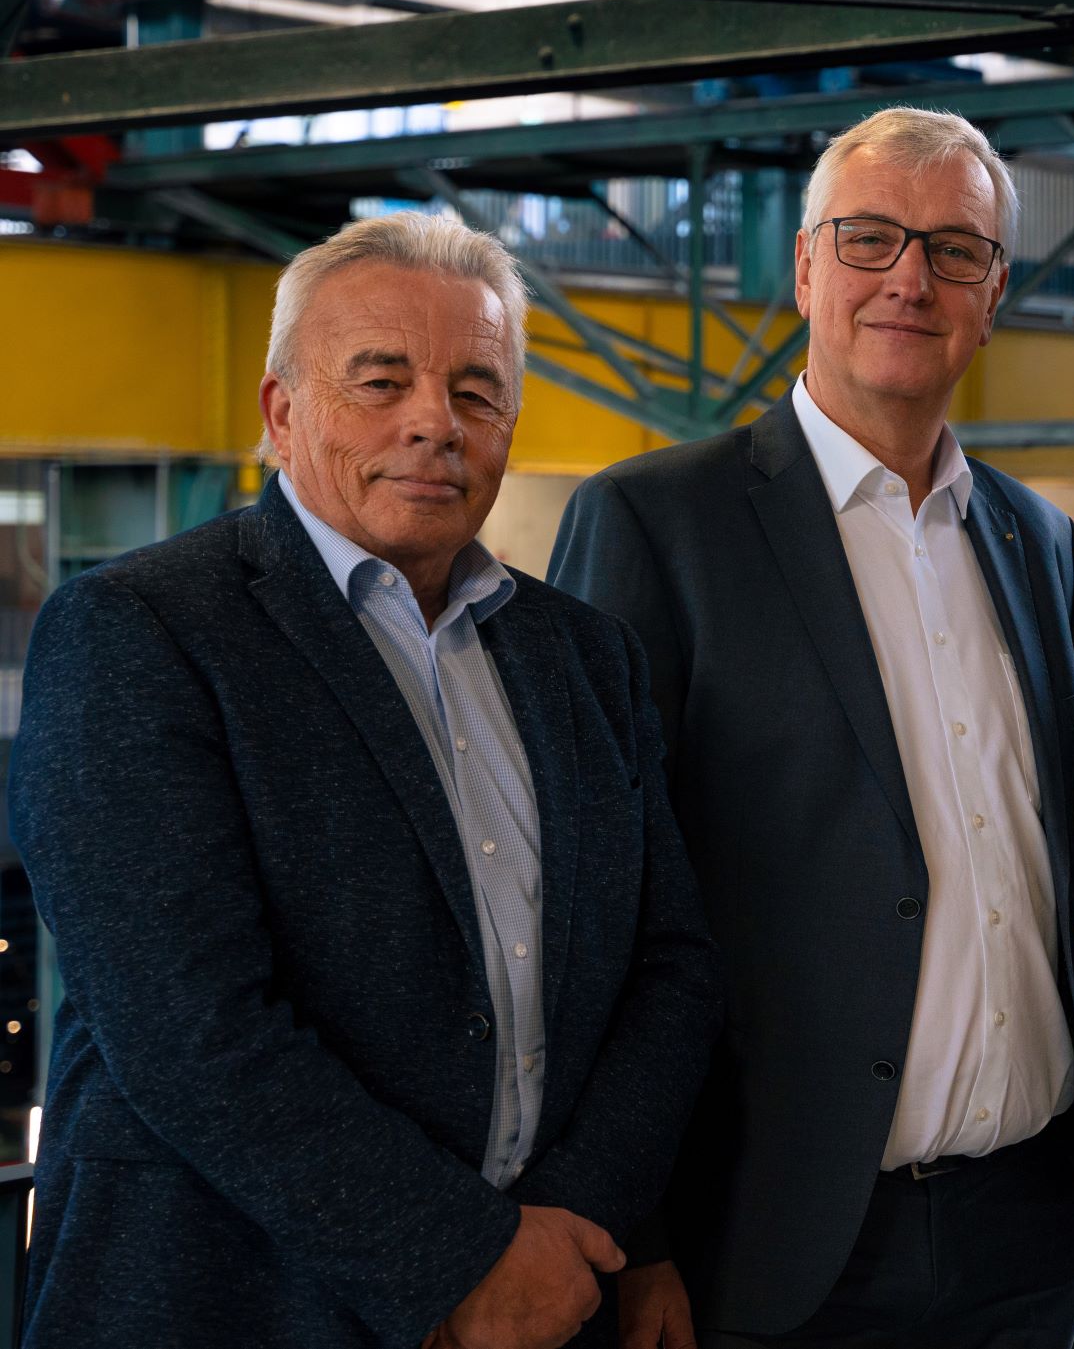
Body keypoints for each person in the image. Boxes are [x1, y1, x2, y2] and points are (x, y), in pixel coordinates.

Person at [7, 211, 721, 1349]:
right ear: (281, 412)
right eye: (381, 381)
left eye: (477, 391)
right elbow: (189, 1029)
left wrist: (567, 1233)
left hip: (551, 1296)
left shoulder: (585, 655)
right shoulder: (139, 631)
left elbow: (669, 967)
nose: (435, 422)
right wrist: (462, 1260)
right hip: (238, 1307)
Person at [551, 107, 1074, 1349]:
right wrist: (639, 1234)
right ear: (804, 267)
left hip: (1028, 1228)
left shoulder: (1036, 539)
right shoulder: (660, 524)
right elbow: (593, 903)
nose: (908, 280)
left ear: (993, 292)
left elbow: (1063, 870)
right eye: (869, 237)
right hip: (775, 1242)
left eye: (953, 250)